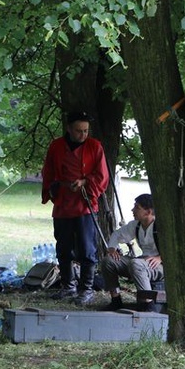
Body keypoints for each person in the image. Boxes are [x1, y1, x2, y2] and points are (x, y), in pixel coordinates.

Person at [41, 111, 109, 306]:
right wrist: (55, 187)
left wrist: (85, 182)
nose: (82, 135)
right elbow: (49, 171)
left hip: (85, 204)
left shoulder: (95, 146)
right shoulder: (56, 146)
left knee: (87, 249)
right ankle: (67, 286)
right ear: (69, 129)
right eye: (78, 131)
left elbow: (101, 176)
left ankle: (86, 288)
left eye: (86, 131)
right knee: (63, 248)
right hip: (63, 203)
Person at [100, 194, 164, 311]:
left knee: (136, 263)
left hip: (160, 266)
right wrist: (112, 249)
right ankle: (116, 301)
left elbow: (177, 247)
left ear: (148, 212)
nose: (132, 210)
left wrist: (161, 258)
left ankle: (147, 306)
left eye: (137, 207)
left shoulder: (161, 226)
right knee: (108, 261)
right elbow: (117, 235)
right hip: (142, 262)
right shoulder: (136, 225)